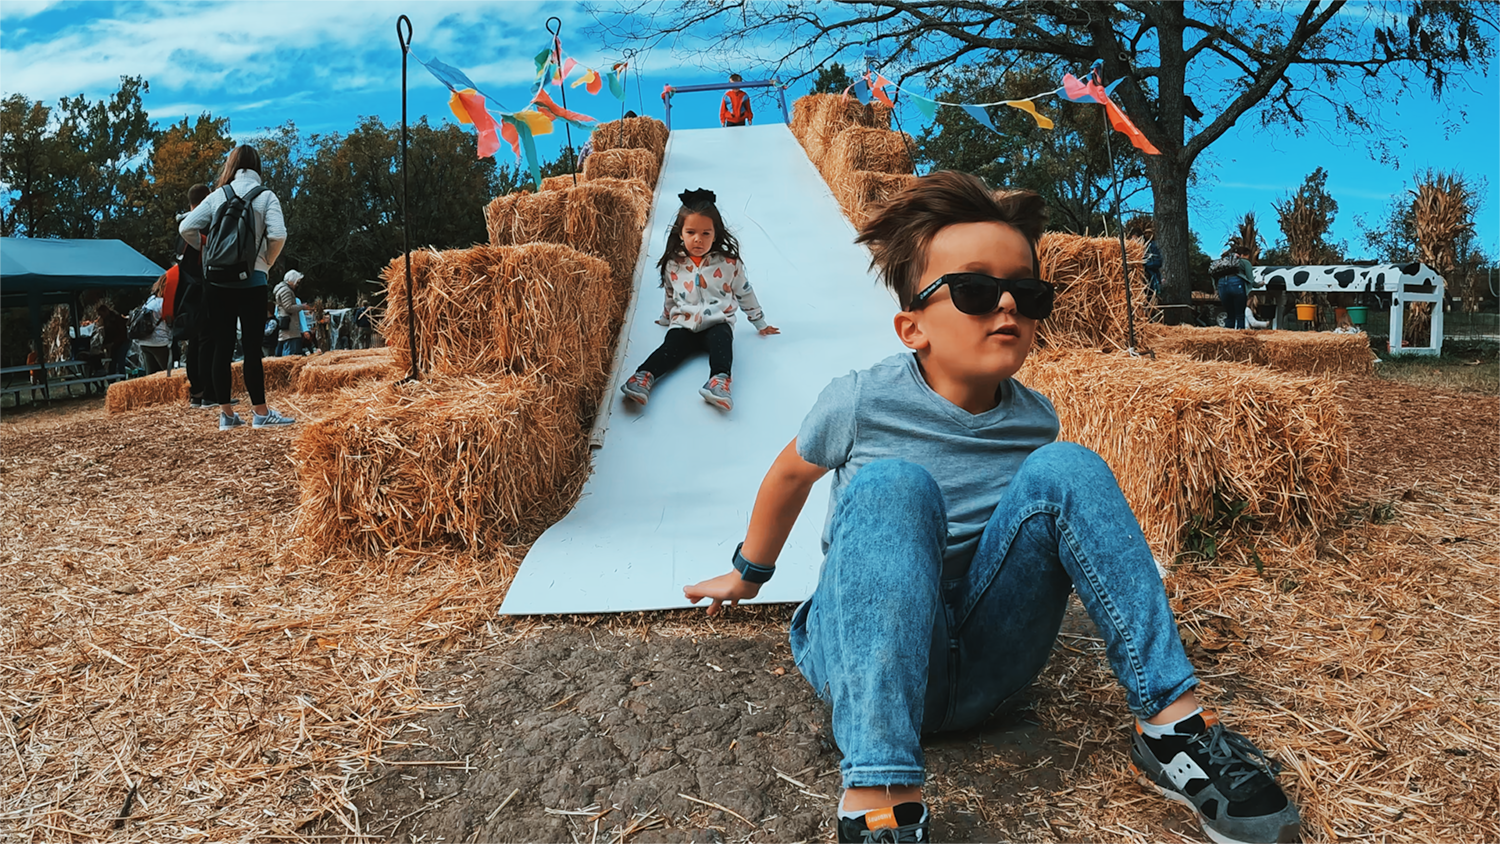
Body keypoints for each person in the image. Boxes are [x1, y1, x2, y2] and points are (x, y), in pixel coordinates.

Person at [682, 172, 1302, 844]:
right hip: (867, 669)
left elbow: (1055, 536)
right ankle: (880, 794)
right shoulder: (860, 400)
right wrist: (750, 571)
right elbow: (788, 474)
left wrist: (1120, 572)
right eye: (976, 291)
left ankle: (1174, 730)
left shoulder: (1036, 422)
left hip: (986, 672)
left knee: (1070, 466)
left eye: (1028, 293)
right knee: (896, 486)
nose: (1007, 303)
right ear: (911, 326)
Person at [620, 188, 778, 411]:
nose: (698, 239)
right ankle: (643, 378)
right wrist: (666, 318)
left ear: (715, 234)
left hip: (717, 322)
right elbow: (670, 294)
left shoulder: (728, 264)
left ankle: (719, 382)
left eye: (706, 233)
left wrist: (759, 322)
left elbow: (744, 292)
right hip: (683, 323)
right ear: (681, 233)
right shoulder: (673, 264)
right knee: (670, 348)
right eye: (691, 232)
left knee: (722, 343)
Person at [179, 144, 295, 430]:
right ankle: (260, 412)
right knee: (253, 348)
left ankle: (227, 415)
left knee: (222, 346)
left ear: (231, 166)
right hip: (251, 280)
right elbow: (279, 234)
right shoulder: (265, 196)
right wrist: (264, 261)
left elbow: (186, 227)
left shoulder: (218, 195)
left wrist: (207, 251)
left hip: (217, 281)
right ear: (257, 167)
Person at [174, 184, 219, 407]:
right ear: (206, 200)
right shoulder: (198, 226)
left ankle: (197, 392)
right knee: (207, 340)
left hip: (185, 290)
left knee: (194, 342)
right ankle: (210, 393)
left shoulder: (181, 229)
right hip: (201, 287)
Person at [138, 273, 173, 375]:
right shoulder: (163, 303)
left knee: (152, 376)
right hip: (159, 342)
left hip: (144, 341)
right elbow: (170, 321)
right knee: (168, 374)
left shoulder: (150, 301)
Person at [274, 270, 311, 357]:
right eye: (297, 282)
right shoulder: (286, 291)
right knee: (291, 355)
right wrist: (302, 307)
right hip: (290, 329)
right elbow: (288, 307)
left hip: (287, 329)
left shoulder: (282, 290)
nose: (297, 284)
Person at [1217, 248, 1250, 330]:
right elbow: (1250, 279)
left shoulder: (1221, 263)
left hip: (1221, 285)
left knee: (1230, 314)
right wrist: (1258, 284)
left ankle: (1228, 336)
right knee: (1240, 315)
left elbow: (1213, 275)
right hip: (1236, 284)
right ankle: (1240, 336)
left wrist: (1216, 289)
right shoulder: (1244, 262)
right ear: (1242, 255)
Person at [95, 302, 130, 377]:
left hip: (123, 341)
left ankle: (122, 378)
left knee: (120, 360)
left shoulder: (116, 319)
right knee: (112, 361)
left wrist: (112, 343)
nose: (101, 316)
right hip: (114, 343)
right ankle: (112, 379)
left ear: (106, 312)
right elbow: (107, 335)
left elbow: (122, 333)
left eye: (101, 314)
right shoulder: (106, 321)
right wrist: (104, 344)